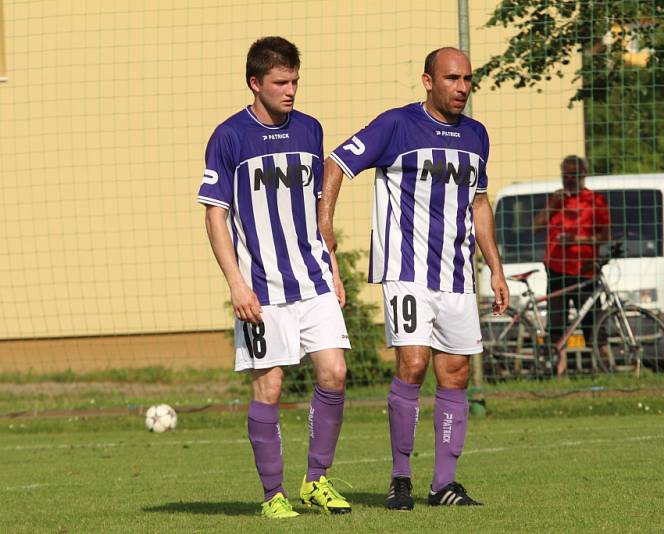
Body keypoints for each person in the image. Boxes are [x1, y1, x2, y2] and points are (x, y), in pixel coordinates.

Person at [318, 47, 509, 510]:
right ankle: (400, 478)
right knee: (414, 364)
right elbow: (337, 162)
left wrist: (496, 268)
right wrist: (324, 221)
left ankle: (443, 483)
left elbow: (479, 202)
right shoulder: (396, 125)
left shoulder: (477, 135)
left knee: (457, 373)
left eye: (468, 79)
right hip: (406, 271)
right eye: (452, 78)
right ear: (428, 81)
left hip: (458, 274)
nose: (462, 87)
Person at [197, 36, 352, 520]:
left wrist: (333, 265)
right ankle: (273, 495)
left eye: (295, 81)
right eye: (281, 83)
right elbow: (215, 216)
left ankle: (316, 482)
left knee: (336, 373)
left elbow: (314, 209)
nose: (290, 91)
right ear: (255, 83)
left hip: (313, 280)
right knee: (270, 387)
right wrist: (236, 286)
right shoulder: (229, 137)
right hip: (262, 290)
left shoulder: (310, 129)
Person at [532, 156, 610, 376]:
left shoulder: (594, 201)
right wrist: (553, 206)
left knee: (593, 321)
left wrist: (577, 240)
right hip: (557, 269)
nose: (568, 180)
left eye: (572, 175)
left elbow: (605, 235)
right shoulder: (557, 200)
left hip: (585, 270)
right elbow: (536, 226)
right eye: (564, 175)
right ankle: (559, 370)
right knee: (556, 322)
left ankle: (604, 366)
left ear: (582, 175)